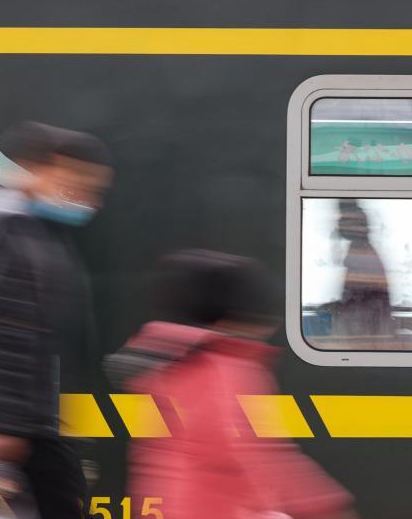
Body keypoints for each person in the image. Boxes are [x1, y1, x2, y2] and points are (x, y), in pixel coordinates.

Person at [0, 121, 112, 519]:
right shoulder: (2, 230)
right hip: (5, 425)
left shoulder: (32, 230)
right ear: (38, 169)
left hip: (29, 420)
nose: (88, 199)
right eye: (77, 181)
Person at [105, 250, 359, 519]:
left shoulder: (173, 361)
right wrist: (323, 506)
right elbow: (251, 453)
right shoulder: (221, 366)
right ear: (232, 317)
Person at [331, 200, 393, 337]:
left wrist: (339, 306)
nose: (338, 224)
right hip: (365, 320)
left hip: (367, 324)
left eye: (343, 219)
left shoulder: (362, 255)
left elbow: (362, 296)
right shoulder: (358, 249)